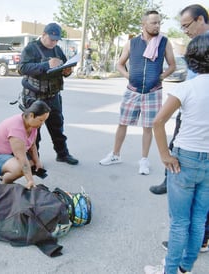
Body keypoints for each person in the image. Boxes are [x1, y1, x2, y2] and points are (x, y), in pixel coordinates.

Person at [143, 33, 209, 274]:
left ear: (191, 58)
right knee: (199, 220)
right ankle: (184, 268)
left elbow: (158, 122)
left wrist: (164, 155)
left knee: (180, 222)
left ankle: (169, 271)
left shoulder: (187, 87)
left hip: (185, 159)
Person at [99, 10, 176, 175]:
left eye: (159, 23)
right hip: (132, 91)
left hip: (153, 92)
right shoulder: (132, 43)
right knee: (122, 123)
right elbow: (120, 64)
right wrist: (128, 76)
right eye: (154, 23)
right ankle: (115, 155)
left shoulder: (164, 42)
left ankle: (143, 160)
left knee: (148, 127)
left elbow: (172, 66)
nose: (157, 26)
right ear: (144, 24)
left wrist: (160, 77)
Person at [149, 4, 209, 193]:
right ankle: (171, 179)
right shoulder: (196, 43)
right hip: (188, 101)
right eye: (182, 27)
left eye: (186, 25)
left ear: (200, 19)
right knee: (177, 141)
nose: (184, 31)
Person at [18, 22, 79, 166]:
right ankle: (33, 160)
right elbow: (22, 68)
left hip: (53, 96)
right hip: (34, 98)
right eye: (52, 39)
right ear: (43, 35)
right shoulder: (31, 49)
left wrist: (67, 71)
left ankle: (62, 154)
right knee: (34, 133)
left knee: (57, 128)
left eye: (57, 40)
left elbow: (64, 66)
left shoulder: (57, 50)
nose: (54, 42)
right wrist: (46, 65)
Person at [0, 100, 50, 189]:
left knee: (33, 166)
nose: (42, 124)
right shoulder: (16, 128)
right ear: (31, 115)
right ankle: (3, 186)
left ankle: (4, 176)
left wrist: (37, 162)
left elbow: (32, 146)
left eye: (44, 121)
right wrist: (30, 180)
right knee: (22, 167)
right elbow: (21, 158)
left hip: (8, 155)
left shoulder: (32, 125)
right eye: (41, 120)